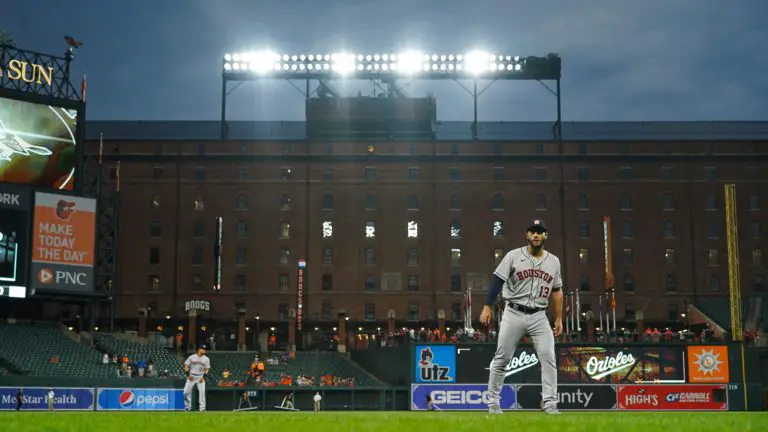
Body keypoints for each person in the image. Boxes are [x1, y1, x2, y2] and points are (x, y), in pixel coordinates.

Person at [480, 219, 563, 415]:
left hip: (539, 315)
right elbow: (497, 280)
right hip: (513, 313)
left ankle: (550, 403)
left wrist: (558, 318)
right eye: (532, 231)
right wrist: (487, 306)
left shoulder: (554, 261)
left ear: (545, 236)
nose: (536, 235)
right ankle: (493, 403)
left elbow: (557, 292)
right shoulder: (513, 256)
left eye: (540, 231)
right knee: (502, 358)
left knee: (548, 358)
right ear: (527, 235)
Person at [183, 344, 211, 412]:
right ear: (199, 349)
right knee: (186, 392)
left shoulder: (206, 359)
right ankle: (187, 407)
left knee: (202, 392)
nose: (204, 350)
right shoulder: (192, 357)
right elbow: (186, 366)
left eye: (205, 349)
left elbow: (207, 369)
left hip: (200, 377)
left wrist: (203, 377)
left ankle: (202, 409)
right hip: (191, 377)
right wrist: (188, 375)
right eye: (203, 349)